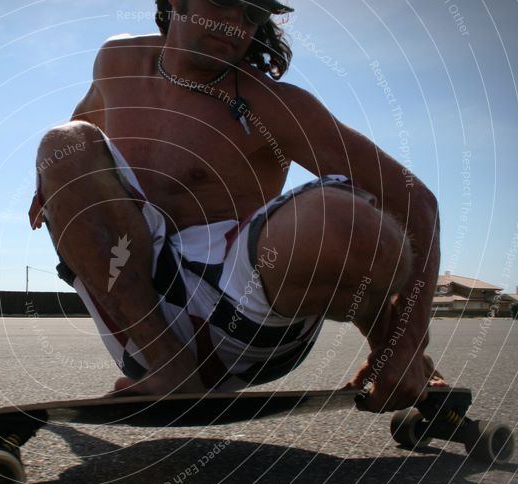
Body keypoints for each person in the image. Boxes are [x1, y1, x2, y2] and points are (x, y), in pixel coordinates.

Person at [28, 0, 446, 412]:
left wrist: (406, 345)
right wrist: (58, 178)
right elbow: (87, 115)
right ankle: (169, 367)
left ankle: (404, 358)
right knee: (61, 142)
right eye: (225, 0)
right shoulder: (118, 60)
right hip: (137, 318)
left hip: (247, 319)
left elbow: (417, 204)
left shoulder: (274, 106)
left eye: (254, 12)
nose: (236, 21)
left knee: (343, 225)